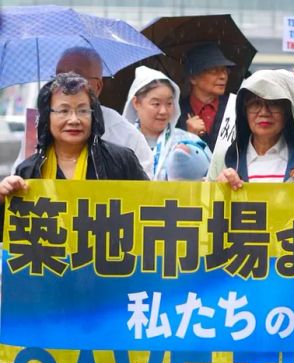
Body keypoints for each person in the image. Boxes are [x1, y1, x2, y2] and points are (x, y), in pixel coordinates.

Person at [0, 73, 149, 233]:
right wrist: (3, 201)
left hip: (107, 256)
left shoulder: (121, 160)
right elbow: (13, 237)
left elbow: (149, 210)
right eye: (64, 111)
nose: (74, 120)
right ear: (46, 117)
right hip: (51, 258)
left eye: (83, 111)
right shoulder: (28, 170)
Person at [53, 47, 154, 178]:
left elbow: (146, 193)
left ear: (98, 86)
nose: (65, 84)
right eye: (59, 77)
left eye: (75, 77)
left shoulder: (127, 138)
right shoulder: (40, 129)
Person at [123, 66, 211, 180]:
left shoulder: (188, 142)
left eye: (169, 103)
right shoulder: (122, 143)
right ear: (136, 103)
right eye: (156, 104)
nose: (163, 111)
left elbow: (212, 179)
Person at [177, 43, 235, 150]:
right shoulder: (176, 112)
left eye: (225, 70)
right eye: (214, 70)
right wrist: (189, 137)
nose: (223, 76)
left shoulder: (234, 108)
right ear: (193, 78)